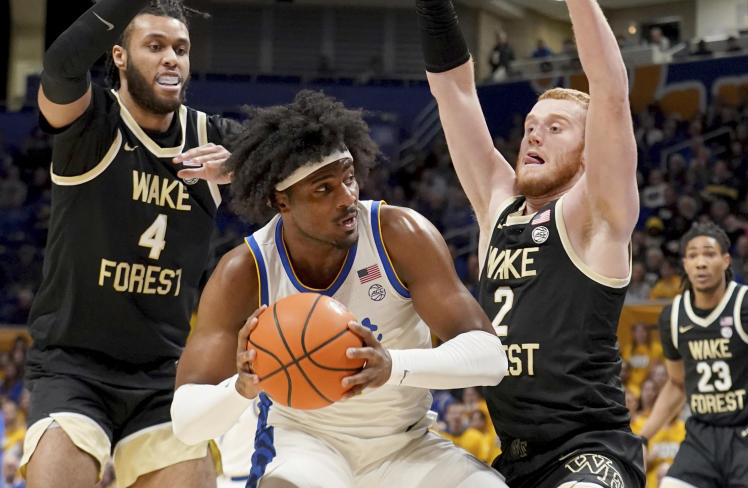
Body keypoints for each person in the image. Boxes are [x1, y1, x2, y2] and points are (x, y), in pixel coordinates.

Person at [382, 0, 644, 487]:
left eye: (556, 127)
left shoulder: (596, 214)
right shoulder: (498, 203)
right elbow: (452, 88)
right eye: (529, 125)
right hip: (511, 456)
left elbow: (610, 92)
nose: (533, 135)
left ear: (588, 153)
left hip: (591, 450)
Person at [169, 90, 508, 487]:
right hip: (306, 447)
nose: (347, 197)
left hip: (406, 445)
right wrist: (240, 389)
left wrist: (393, 366)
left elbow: (490, 357)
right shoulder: (245, 271)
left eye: (348, 178)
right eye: (323, 189)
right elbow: (186, 424)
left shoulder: (398, 233)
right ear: (282, 201)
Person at [22, 0, 238, 488]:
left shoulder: (211, 136)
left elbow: (317, 162)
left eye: (181, 48)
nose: (172, 58)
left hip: (164, 372)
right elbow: (62, 66)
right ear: (119, 56)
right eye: (154, 46)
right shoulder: (92, 126)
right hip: (72, 366)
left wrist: (242, 167)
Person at [637, 221, 748, 488]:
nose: (701, 262)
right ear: (685, 264)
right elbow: (677, 384)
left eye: (709, 254)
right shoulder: (672, 317)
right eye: (693, 255)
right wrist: (642, 438)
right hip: (701, 436)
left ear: (726, 260)